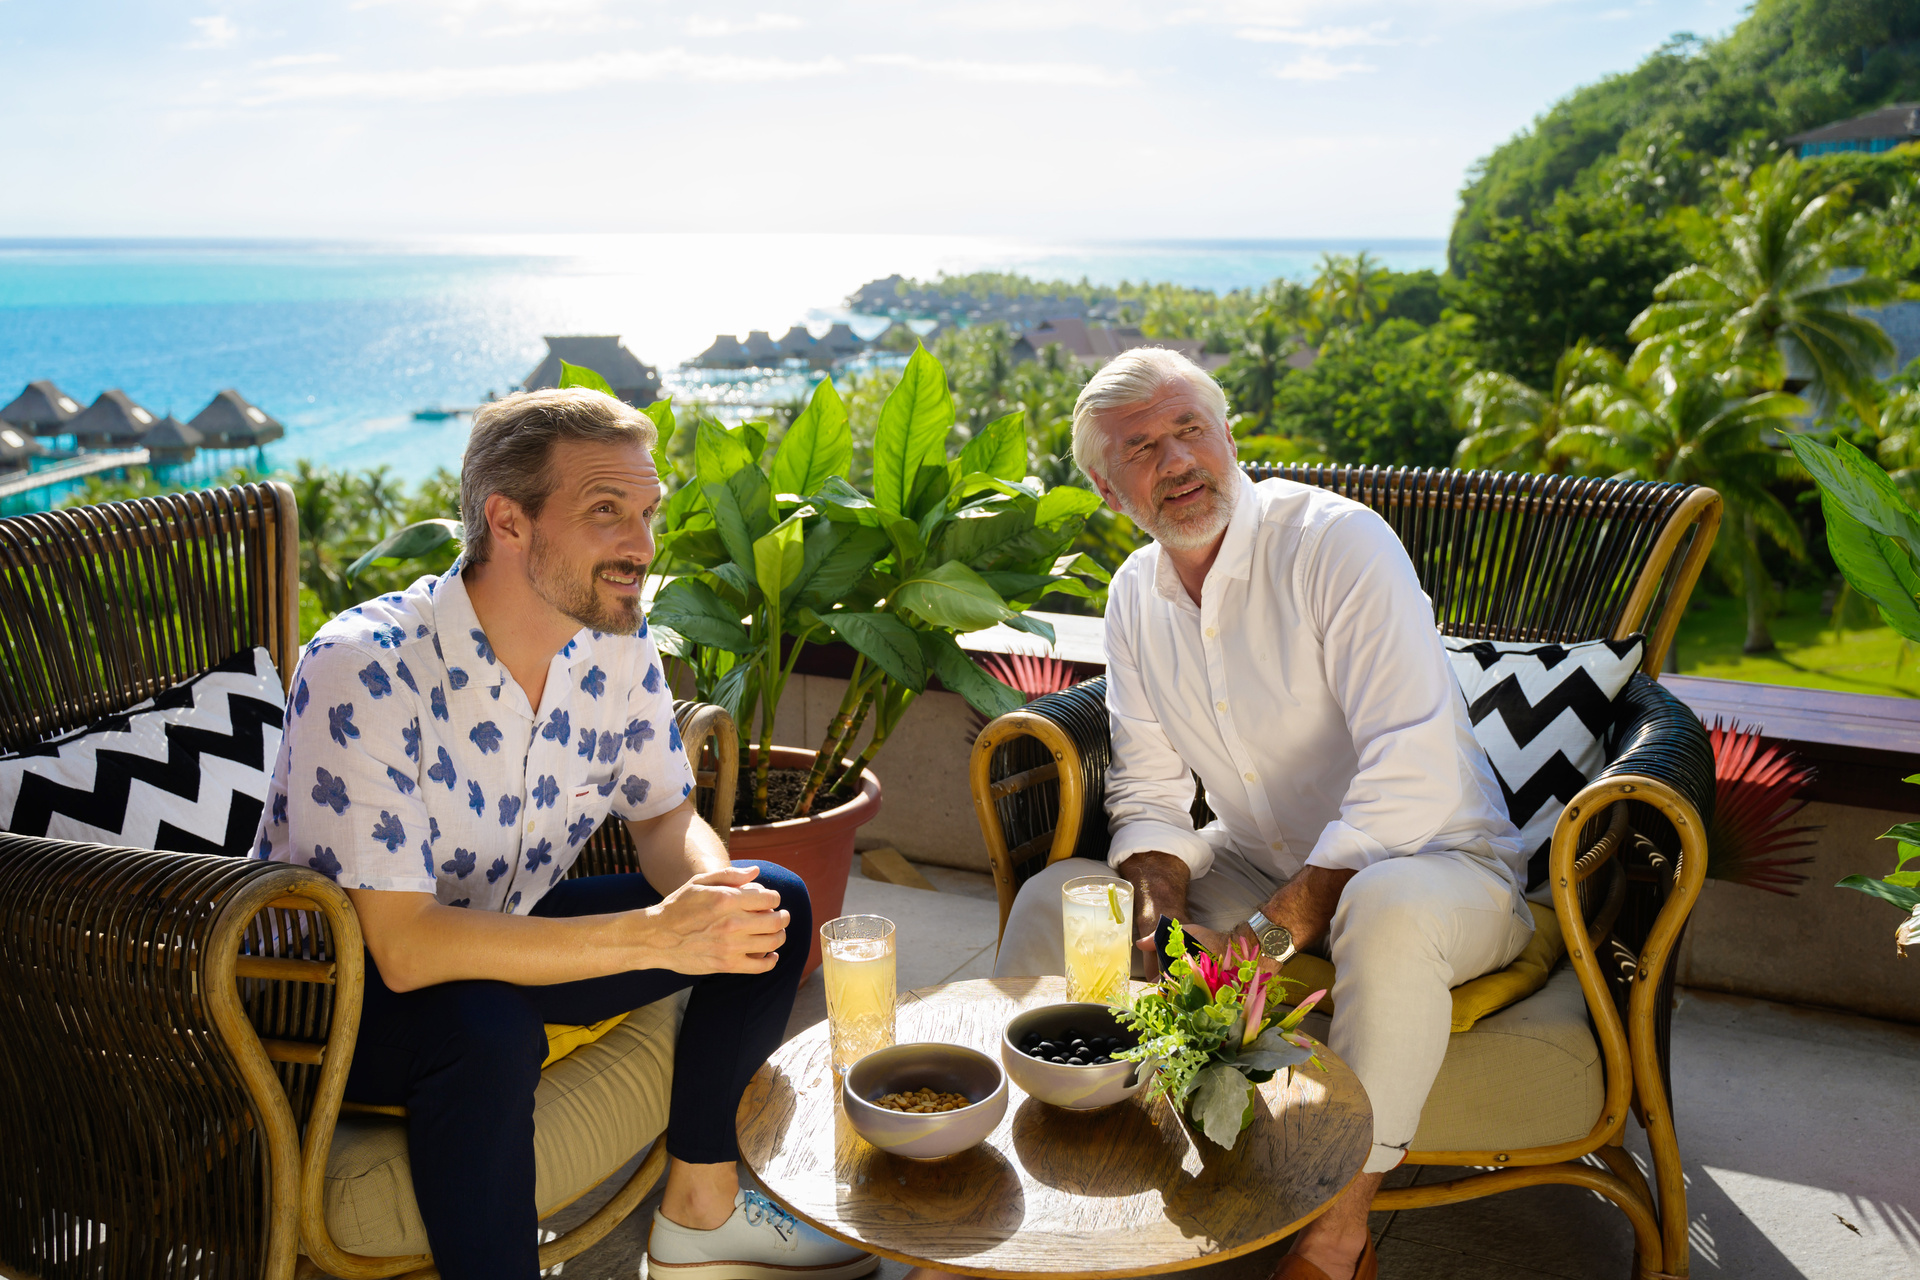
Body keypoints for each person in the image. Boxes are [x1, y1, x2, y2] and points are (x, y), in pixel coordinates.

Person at [253, 388, 877, 1280]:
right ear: (508, 521)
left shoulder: (614, 642)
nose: (643, 546)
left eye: (647, 513)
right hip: (331, 993)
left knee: (769, 905)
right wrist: (653, 935)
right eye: (606, 511)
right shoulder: (368, 666)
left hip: (501, 936)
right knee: (487, 1024)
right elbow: (403, 947)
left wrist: (709, 896)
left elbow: (663, 815)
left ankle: (699, 1211)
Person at [991, 349, 1534, 1280]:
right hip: (1255, 857)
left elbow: (1409, 773)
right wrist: (1161, 921)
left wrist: (1257, 945)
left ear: (1229, 437)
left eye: (1189, 430)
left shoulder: (1336, 544)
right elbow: (1149, 795)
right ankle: (1051, 1182)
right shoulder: (1134, 597)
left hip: (1441, 863)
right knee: (1062, 900)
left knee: (1388, 908)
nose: (1176, 462)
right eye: (1140, 449)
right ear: (1108, 489)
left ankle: (1337, 1236)